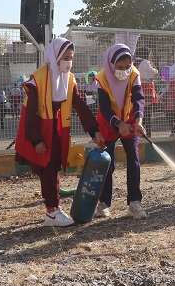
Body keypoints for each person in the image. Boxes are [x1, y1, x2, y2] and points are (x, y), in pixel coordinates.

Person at [15, 38, 104, 227]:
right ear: (55, 57)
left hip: (57, 129)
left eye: (71, 58)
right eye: (65, 58)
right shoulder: (38, 78)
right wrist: (37, 139)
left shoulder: (69, 79)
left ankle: (54, 208)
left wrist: (94, 131)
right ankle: (52, 211)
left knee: (54, 165)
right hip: (41, 129)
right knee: (48, 167)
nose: (68, 62)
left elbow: (80, 106)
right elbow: (31, 113)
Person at [94, 43, 147, 219]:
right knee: (107, 162)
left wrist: (138, 122)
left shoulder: (134, 74)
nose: (124, 71)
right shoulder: (102, 78)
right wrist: (118, 124)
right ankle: (103, 203)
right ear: (111, 64)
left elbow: (138, 99)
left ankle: (134, 202)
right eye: (120, 67)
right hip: (108, 123)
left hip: (130, 121)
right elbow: (104, 107)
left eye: (127, 66)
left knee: (133, 158)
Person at [133, 49, 159, 134]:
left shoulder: (134, 63)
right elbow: (154, 72)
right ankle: (148, 133)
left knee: (138, 113)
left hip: (137, 89)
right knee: (148, 114)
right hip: (147, 89)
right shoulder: (145, 62)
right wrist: (153, 66)